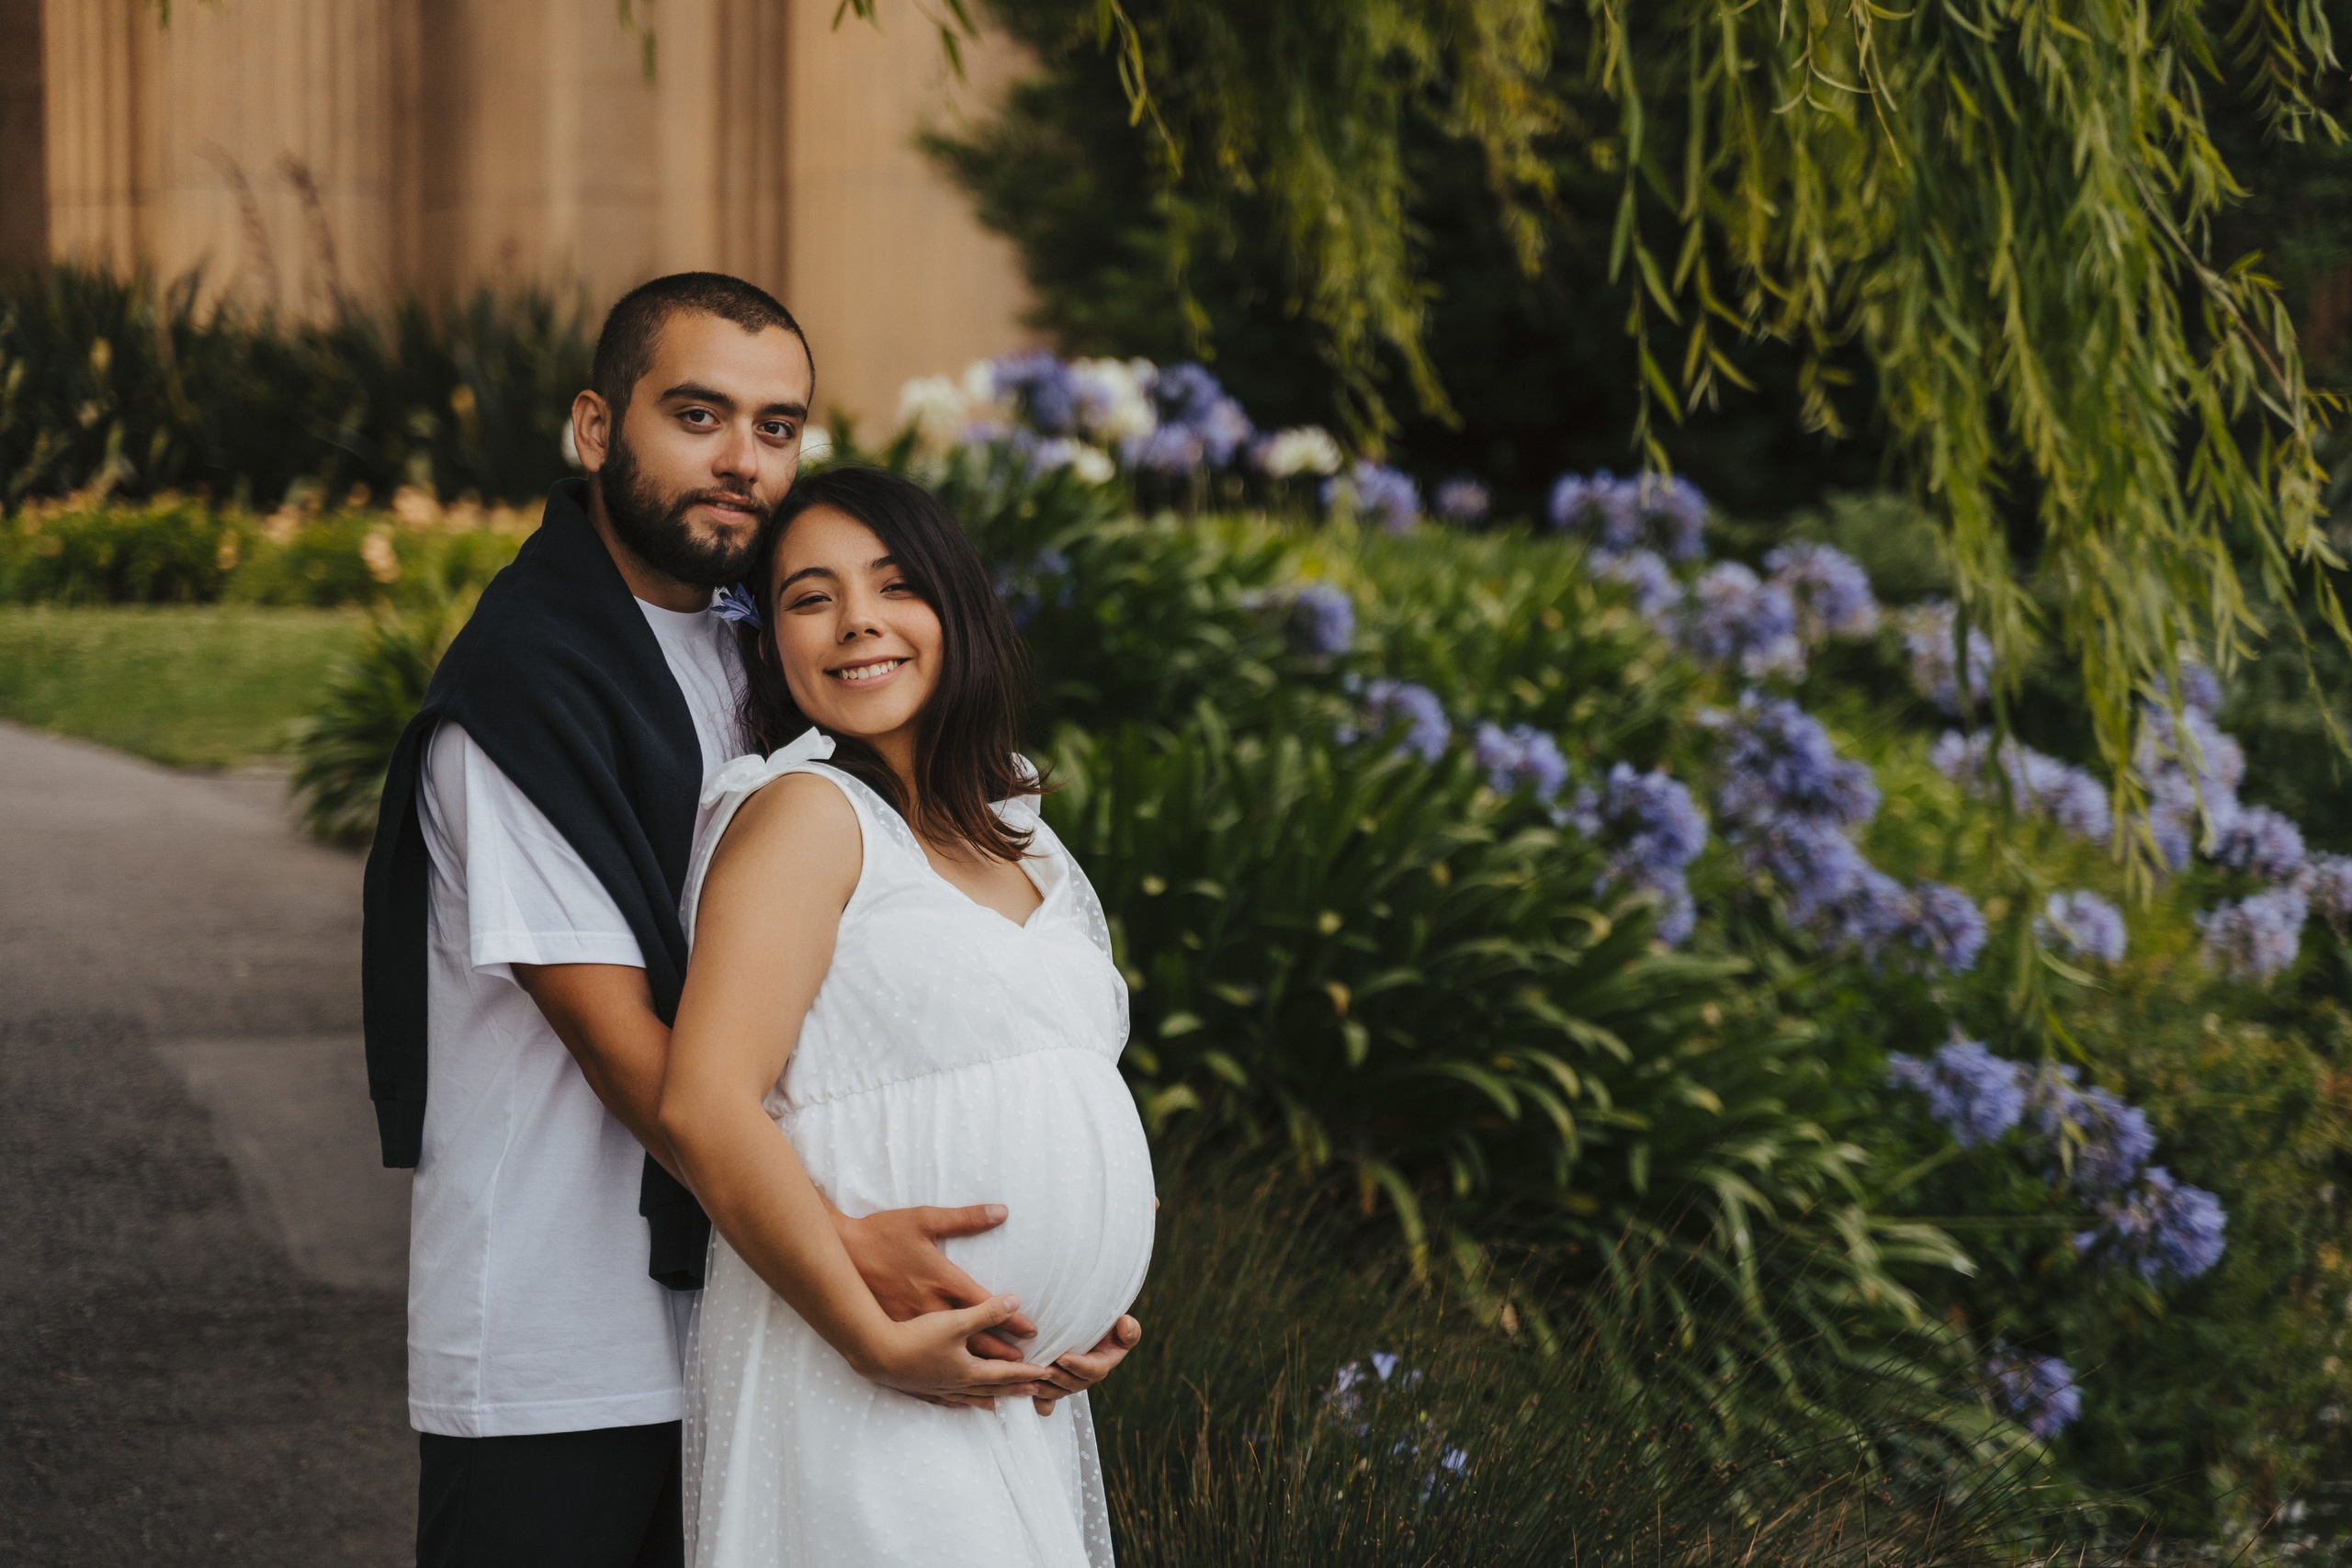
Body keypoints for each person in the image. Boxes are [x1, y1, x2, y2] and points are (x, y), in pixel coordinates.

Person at [360, 274, 1139, 1568]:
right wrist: (855, 1273)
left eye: (777, 427)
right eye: (700, 413)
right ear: (597, 428)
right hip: (576, 1342)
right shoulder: (521, 696)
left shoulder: (767, 650)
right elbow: (643, 1061)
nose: (743, 460)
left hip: (770, 1331)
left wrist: (1061, 1282)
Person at [660, 465, 1157, 1566]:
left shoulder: (1014, 827)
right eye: (809, 597)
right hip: (862, 1371)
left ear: (955, 608)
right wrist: (872, 1341)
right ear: (773, 642)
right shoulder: (804, 812)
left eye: (894, 585)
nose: (857, 624)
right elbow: (704, 1105)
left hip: (1014, 1391)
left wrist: (1086, 1301)